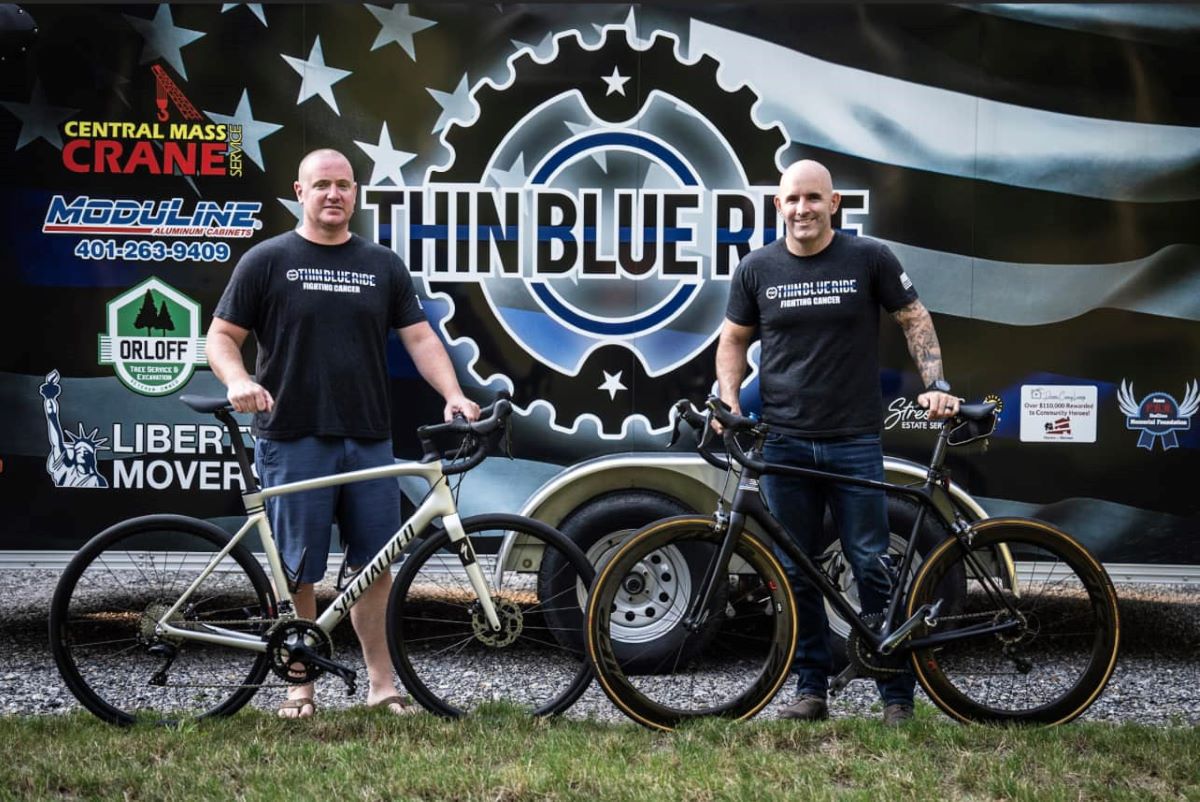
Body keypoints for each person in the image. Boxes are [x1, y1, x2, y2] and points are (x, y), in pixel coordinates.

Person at [205, 148, 479, 719]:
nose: (334, 194)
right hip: (293, 433)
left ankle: (383, 688)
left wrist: (452, 393)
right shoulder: (267, 260)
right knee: (300, 568)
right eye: (322, 185)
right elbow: (221, 337)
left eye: (345, 185)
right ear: (299, 192)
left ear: (356, 194)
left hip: (369, 436)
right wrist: (237, 381)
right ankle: (299, 685)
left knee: (374, 568)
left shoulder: (381, 264)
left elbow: (422, 338)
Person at [715, 159, 959, 726]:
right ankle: (811, 690)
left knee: (870, 562)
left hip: (853, 439)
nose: (802, 209)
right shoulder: (756, 268)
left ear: (834, 204)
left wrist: (937, 386)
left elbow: (913, 317)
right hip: (784, 442)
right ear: (777, 206)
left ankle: (896, 696)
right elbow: (732, 340)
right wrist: (730, 400)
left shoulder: (868, 257)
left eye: (813, 198)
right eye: (792, 199)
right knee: (796, 572)